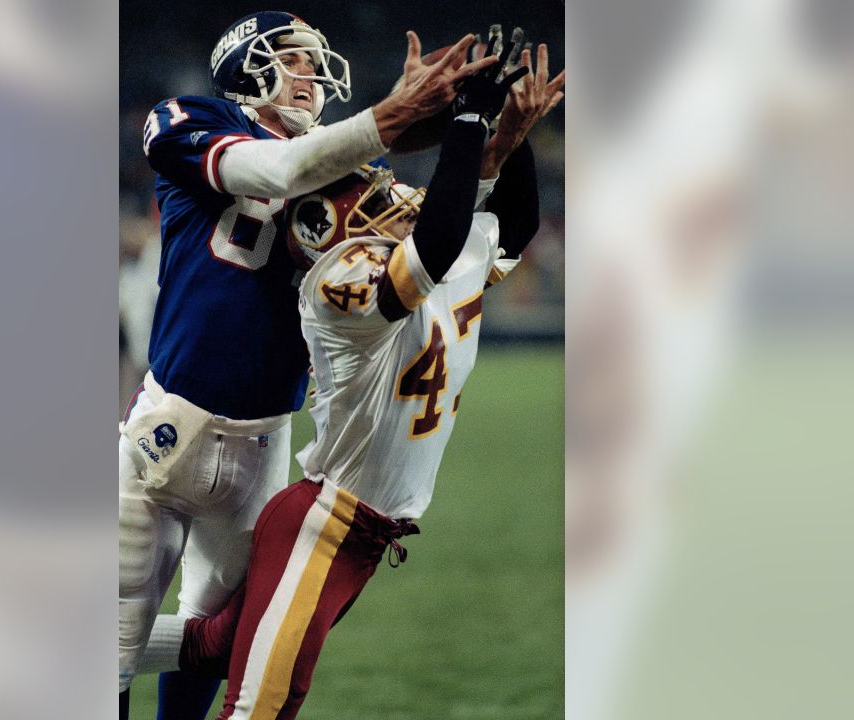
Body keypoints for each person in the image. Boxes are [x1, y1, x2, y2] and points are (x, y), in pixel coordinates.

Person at [136, 35, 566, 720]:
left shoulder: (435, 252)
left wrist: (508, 139)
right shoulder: (341, 284)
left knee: (214, 645)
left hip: (363, 531)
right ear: (316, 233)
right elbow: (436, 241)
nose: (385, 203)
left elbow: (507, 229)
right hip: (323, 522)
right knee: (258, 707)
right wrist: (463, 125)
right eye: (362, 205)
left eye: (381, 194)